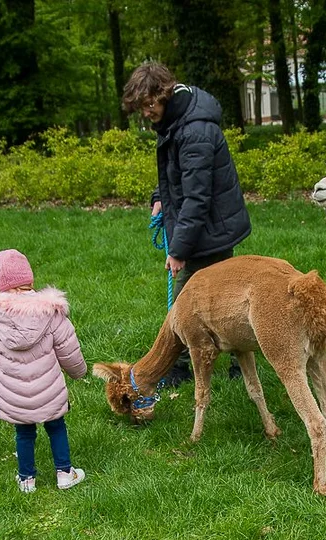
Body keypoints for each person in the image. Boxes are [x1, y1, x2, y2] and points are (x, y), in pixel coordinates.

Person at [122, 62, 251, 387]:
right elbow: (174, 175)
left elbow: (197, 197)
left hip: (210, 229)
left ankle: (173, 367)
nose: (146, 112)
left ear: (163, 93)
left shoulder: (194, 130)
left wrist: (178, 251)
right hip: (204, 226)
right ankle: (232, 362)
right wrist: (159, 197)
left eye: (149, 104)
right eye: (141, 107)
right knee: (222, 299)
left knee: (186, 304)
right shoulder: (175, 121)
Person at [0, 249, 87, 493]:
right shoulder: (51, 312)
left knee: (23, 433)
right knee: (56, 426)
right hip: (49, 389)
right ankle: (65, 473)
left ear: (0, 284)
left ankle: (27, 479)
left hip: (13, 391)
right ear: (30, 279)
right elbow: (69, 348)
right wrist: (78, 372)